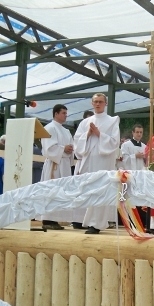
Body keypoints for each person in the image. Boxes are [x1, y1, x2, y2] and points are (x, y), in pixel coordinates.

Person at [74, 93, 120, 234]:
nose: (98, 104)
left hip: (103, 160)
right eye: (95, 101)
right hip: (89, 160)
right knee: (89, 190)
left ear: (106, 103)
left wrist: (99, 134)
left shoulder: (112, 121)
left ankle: (96, 223)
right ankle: (87, 221)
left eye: (100, 101)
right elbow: (77, 142)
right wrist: (88, 134)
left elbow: (115, 142)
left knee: (101, 190)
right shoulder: (85, 123)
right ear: (92, 103)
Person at [39, 104, 74, 230]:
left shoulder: (66, 131)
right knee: (51, 191)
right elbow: (48, 148)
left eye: (66, 113)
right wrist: (63, 148)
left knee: (61, 192)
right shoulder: (49, 128)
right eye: (63, 113)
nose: (66, 115)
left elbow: (71, 145)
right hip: (54, 164)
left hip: (64, 164)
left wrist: (70, 149)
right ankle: (48, 219)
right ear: (56, 114)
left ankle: (56, 219)